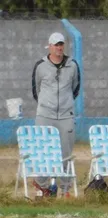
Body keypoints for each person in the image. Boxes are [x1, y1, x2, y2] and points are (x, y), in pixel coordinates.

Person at [31, 32, 81, 177]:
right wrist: (46, 104)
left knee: (66, 152)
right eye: (56, 45)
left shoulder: (72, 65)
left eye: (61, 44)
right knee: (42, 151)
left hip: (66, 115)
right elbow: (36, 89)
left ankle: (65, 188)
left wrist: (66, 103)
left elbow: (75, 88)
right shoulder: (40, 66)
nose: (59, 47)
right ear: (50, 46)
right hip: (45, 115)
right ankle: (43, 187)